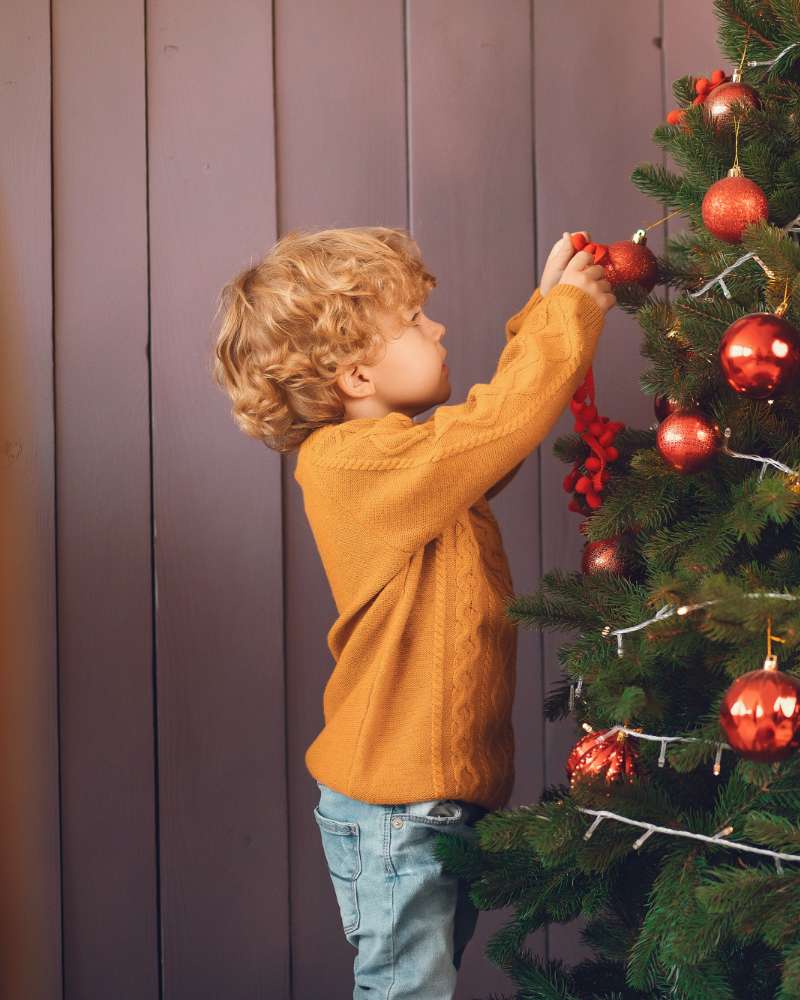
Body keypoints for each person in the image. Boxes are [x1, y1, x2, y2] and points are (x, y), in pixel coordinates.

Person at [210, 225, 614, 997]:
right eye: (415, 323)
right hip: (396, 805)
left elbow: (488, 440)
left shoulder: (409, 465)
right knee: (406, 988)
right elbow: (491, 427)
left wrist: (549, 308)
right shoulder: (349, 466)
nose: (439, 327)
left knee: (418, 981)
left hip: (424, 798)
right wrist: (562, 317)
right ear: (357, 373)